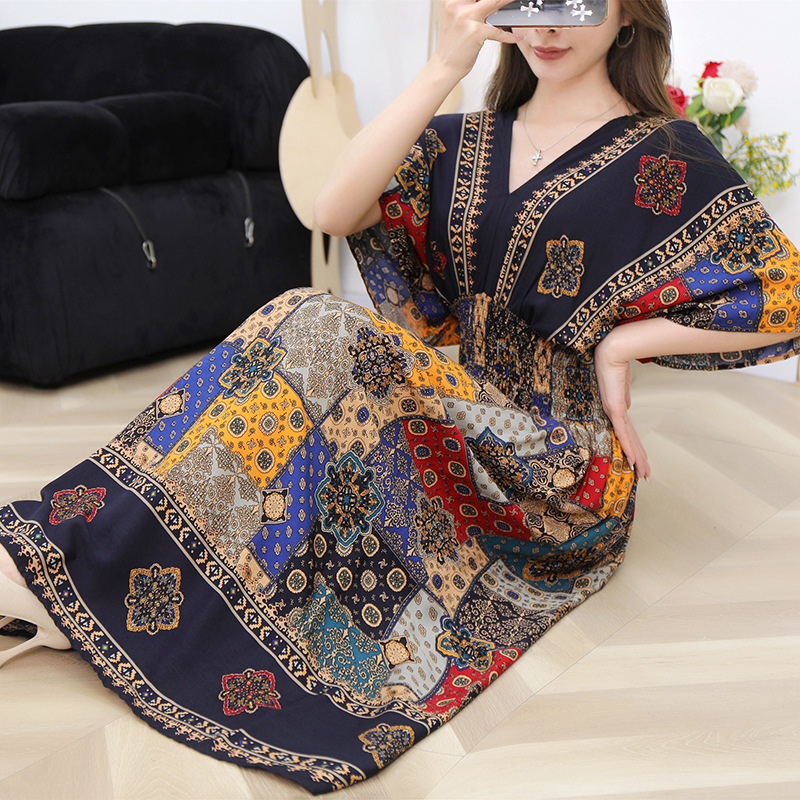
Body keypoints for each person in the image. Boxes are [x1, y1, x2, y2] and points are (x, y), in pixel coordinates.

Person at [1, 0, 798, 793]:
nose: (550, 26)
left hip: (561, 475)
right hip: (462, 417)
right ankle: (94, 558)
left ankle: (69, 555)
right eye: (532, 1)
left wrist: (625, 343)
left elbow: (786, 296)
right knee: (307, 338)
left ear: (628, 16)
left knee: (318, 325)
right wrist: (445, 67)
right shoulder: (462, 139)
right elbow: (331, 209)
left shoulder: (665, 155)